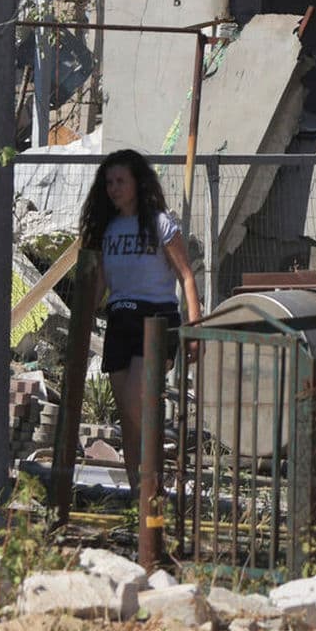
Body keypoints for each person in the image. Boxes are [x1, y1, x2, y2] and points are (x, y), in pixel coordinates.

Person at [77, 149, 202, 489]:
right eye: (108, 183)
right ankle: (140, 497)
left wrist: (194, 327)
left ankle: (155, 484)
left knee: (138, 402)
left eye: (120, 181)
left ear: (137, 183)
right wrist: (84, 320)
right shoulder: (109, 228)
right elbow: (100, 281)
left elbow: (186, 275)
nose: (114, 189)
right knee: (128, 419)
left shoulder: (160, 223)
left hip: (156, 318)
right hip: (120, 319)